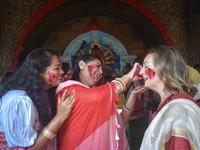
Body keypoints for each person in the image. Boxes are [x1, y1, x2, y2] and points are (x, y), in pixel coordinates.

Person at [55, 53, 146, 150]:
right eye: (97, 66)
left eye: (102, 69)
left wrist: (133, 95)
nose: (101, 72)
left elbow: (120, 121)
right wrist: (128, 76)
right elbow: (99, 94)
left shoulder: (98, 97)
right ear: (81, 64)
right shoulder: (68, 89)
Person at [0, 48, 76, 150]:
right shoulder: (19, 100)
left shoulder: (43, 95)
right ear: (39, 71)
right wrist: (59, 118)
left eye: (61, 68)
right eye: (57, 68)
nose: (62, 72)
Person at [139, 45, 200, 149]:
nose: (141, 72)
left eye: (146, 67)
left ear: (164, 68)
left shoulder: (176, 114)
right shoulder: (171, 104)